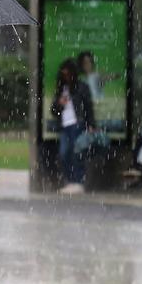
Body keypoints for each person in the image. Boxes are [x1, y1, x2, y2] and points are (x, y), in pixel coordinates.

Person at [50, 59, 95, 195]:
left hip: (78, 124)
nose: (66, 78)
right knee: (64, 153)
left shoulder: (82, 87)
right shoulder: (61, 89)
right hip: (65, 126)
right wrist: (60, 104)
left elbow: (88, 107)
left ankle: (78, 181)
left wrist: (91, 124)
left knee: (77, 153)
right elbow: (53, 111)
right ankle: (70, 180)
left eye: (68, 75)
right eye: (64, 75)